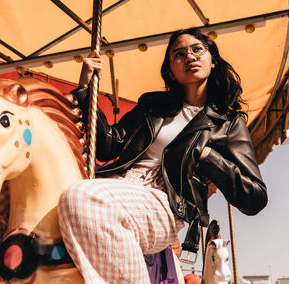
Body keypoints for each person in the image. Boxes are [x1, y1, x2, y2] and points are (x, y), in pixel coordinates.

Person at [58, 27, 268, 284]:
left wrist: (209, 157)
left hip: (165, 201)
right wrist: (85, 89)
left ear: (212, 60)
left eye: (197, 49)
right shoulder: (153, 106)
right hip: (116, 185)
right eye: (178, 54)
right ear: (170, 70)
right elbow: (108, 146)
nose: (189, 56)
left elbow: (255, 197)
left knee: (79, 195)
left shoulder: (228, 123)